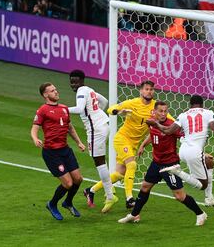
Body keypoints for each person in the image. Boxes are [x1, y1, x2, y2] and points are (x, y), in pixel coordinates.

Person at [85, 80, 171, 209]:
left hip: (134, 144)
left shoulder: (156, 108)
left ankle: (90, 190)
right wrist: (118, 111)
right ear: (141, 91)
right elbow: (111, 108)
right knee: (132, 164)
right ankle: (129, 198)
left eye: (151, 89)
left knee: (119, 174)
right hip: (122, 139)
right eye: (146, 89)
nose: (149, 91)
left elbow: (172, 120)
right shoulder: (131, 103)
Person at [118, 101, 207, 226]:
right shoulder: (151, 122)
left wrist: (200, 152)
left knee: (179, 196)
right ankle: (134, 215)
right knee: (145, 187)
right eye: (161, 111)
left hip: (170, 165)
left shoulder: (172, 126)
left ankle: (200, 213)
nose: (163, 114)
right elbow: (152, 134)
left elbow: (186, 139)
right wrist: (143, 145)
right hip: (156, 162)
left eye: (166, 111)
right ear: (154, 112)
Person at [147, 95, 214, 207]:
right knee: (202, 185)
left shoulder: (183, 115)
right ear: (202, 104)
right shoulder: (208, 113)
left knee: (209, 162)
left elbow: (168, 131)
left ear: (190, 105)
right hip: (194, 152)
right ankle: (177, 172)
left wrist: (156, 124)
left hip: (183, 151)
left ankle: (209, 198)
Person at [30, 82, 85, 220]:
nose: (56, 92)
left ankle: (68, 202)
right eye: (52, 91)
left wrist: (79, 142)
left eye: (56, 89)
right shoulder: (42, 110)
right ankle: (52, 204)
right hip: (51, 153)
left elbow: (70, 128)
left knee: (78, 179)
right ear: (45, 94)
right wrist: (35, 138)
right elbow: (34, 127)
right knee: (68, 183)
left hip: (65, 150)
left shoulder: (64, 108)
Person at [68, 70, 118, 213]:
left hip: (96, 129)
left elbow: (78, 109)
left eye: (76, 81)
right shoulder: (89, 90)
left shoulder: (81, 91)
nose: (73, 84)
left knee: (99, 161)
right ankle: (110, 191)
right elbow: (105, 102)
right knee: (100, 161)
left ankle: (110, 195)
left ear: (82, 81)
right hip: (103, 125)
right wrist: (97, 113)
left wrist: (62, 109)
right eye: (72, 81)